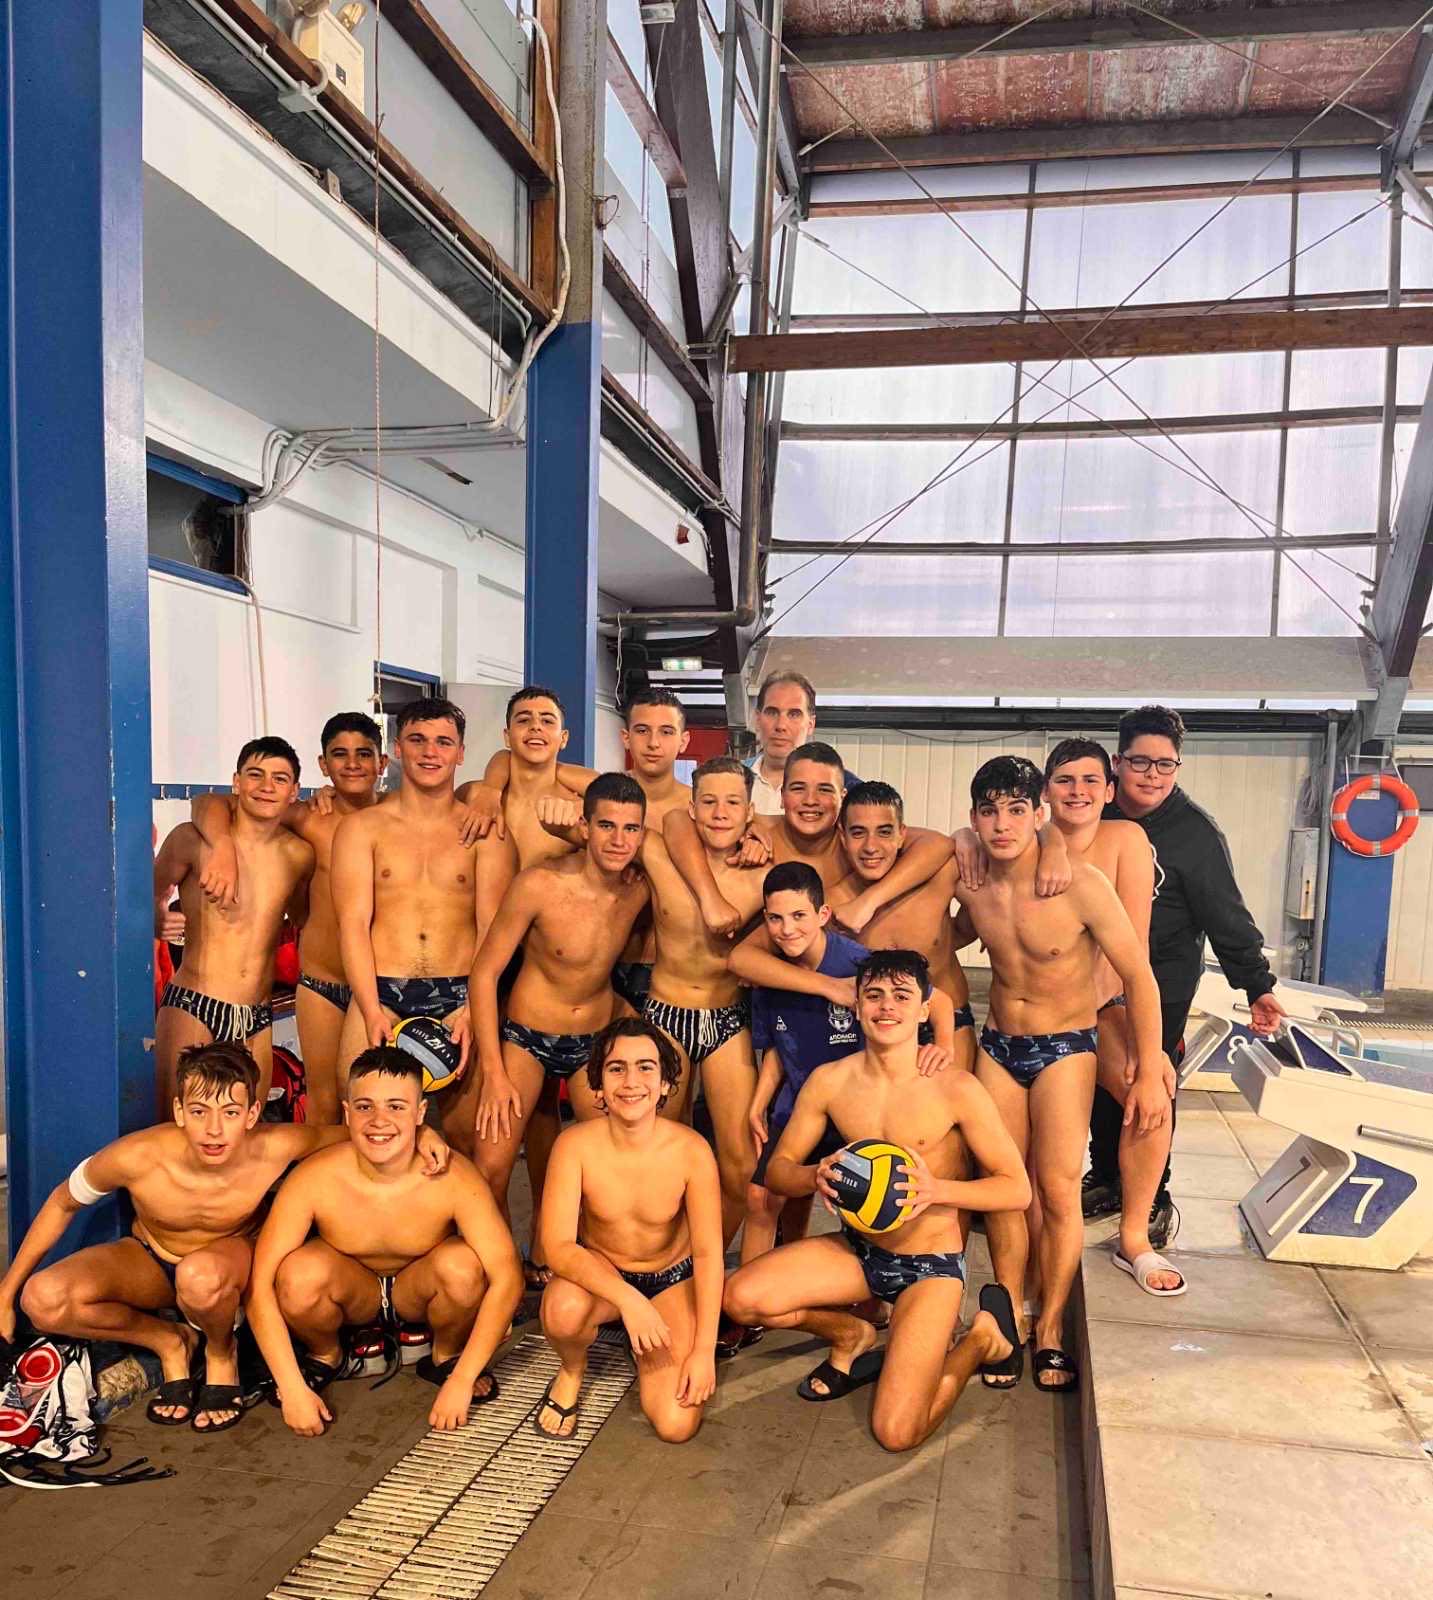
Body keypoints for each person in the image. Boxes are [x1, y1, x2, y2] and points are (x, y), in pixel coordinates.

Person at [0, 1042, 449, 1434]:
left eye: (230, 1113)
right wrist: (6, 1294)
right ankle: (169, 1341)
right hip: (152, 1258)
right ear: (179, 1111)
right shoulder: (137, 1155)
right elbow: (62, 1202)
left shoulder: (277, 1145)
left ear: (252, 1114)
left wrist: (423, 1130)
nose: (214, 1129)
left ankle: (221, 1353)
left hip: (228, 1265)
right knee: (43, 1300)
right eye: (199, 1112)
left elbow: (364, 1131)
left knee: (200, 1275)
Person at [722, 951, 1030, 1451]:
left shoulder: (955, 1088)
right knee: (740, 1298)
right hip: (860, 1252)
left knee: (897, 1431)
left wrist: (937, 1190)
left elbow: (1016, 1188)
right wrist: (813, 1176)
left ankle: (981, 1339)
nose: (887, 1007)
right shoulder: (831, 1081)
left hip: (929, 1266)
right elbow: (778, 1170)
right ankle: (851, 1334)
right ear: (858, 1006)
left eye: (901, 996)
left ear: (925, 1008)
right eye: (875, 995)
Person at [955, 757, 1169, 1393]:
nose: (1002, 825)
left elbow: (1139, 977)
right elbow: (934, 930)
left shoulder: (1081, 884)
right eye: (988, 813)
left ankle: (1050, 1326)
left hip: (1065, 1047)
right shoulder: (971, 881)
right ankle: (1011, 1315)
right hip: (998, 1044)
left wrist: (1149, 1070)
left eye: (1016, 810)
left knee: (1056, 1188)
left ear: (1038, 814)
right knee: (1006, 1188)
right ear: (974, 818)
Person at [246, 1046, 523, 1438]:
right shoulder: (313, 1178)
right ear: (347, 1113)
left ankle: (446, 1354)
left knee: (463, 1267)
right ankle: (327, 1354)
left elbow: (508, 1277)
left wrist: (463, 1379)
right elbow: (259, 1284)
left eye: (396, 1107)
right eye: (365, 1107)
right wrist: (290, 1385)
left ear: (420, 1114)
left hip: (419, 1289)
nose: (379, 1121)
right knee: (297, 1274)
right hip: (351, 1292)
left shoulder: (454, 1177)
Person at [1083, 706, 1287, 1228]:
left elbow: (1226, 914)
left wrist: (1257, 984)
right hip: (1097, 981)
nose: (1152, 775)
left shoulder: (1195, 833)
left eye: (1165, 765)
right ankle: (1107, 1176)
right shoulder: (1093, 811)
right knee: (1100, 1084)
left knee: (1150, 1081)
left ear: (1177, 766)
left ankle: (1154, 1195)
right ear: (1117, 762)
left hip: (1161, 982)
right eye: (1140, 762)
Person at [732, 862, 960, 1267]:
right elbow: (779, 1047)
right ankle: (756, 1290)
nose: (787, 929)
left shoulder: (858, 964)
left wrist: (943, 1045)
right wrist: (759, 1102)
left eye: (799, 916)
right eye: (776, 919)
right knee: (763, 1195)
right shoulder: (769, 974)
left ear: (822, 915)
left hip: (855, 1104)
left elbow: (937, 1000)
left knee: (861, 1200)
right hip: (799, 1103)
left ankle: (869, 1279)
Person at [331, 698, 516, 1154]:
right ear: (397, 749)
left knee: (470, 1142)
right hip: (381, 992)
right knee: (361, 1134)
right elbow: (353, 925)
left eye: (443, 742)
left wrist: (472, 1009)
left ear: (461, 753)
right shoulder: (362, 829)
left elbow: (492, 929)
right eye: (417, 740)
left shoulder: (486, 833)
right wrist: (371, 1009)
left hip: (461, 995)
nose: (430, 752)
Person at [467, 773, 651, 1232]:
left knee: (607, 1172)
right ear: (583, 827)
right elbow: (485, 974)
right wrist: (493, 1073)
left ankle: (566, 1259)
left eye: (631, 828)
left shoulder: (639, 888)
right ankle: (502, 1265)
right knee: (490, 1168)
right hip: (526, 1038)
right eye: (606, 825)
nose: (619, 840)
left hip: (594, 1039)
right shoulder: (539, 884)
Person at [190, 712, 388, 1125]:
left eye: (364, 753)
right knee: (323, 1099)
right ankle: (320, 1169)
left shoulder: (398, 817)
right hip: (322, 982)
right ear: (323, 764)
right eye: (340, 754)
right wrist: (222, 844)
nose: (352, 763)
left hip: (382, 984)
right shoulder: (306, 817)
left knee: (374, 1099)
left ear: (382, 762)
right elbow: (209, 803)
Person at [535, 1018, 722, 1442]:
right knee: (563, 1311)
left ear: (665, 1084)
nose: (631, 1082)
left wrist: (703, 1351)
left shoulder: (691, 1150)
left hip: (671, 1282)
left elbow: (709, 1254)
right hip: (605, 1276)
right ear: (598, 1086)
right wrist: (628, 1300)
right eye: (616, 1068)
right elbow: (558, 1246)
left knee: (676, 1425)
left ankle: (648, 1343)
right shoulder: (574, 1146)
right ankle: (572, 1369)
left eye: (645, 1068)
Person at [1043, 739, 1181, 1293]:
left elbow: (1133, 952)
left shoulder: (1126, 839)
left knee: (1153, 1093)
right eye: (1064, 780)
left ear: (1108, 790)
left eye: (1089, 781)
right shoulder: (1025, 838)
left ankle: (1135, 1237)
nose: (1077, 791)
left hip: (1102, 1006)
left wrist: (1147, 1052)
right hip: (1036, 1019)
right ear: (1046, 791)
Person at [637, 757, 767, 1241]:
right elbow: (600, 826)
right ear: (692, 808)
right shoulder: (659, 853)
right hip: (664, 1013)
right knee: (655, 1148)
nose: (720, 812)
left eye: (732, 802)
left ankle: (703, 1254)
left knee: (741, 1162)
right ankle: (659, 1253)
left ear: (750, 812)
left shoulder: (765, 874)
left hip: (726, 1019)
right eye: (708, 801)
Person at [153, 737, 314, 1110]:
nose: (266, 786)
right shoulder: (191, 840)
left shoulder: (298, 855)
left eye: (279, 779)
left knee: (247, 1124)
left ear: (293, 792)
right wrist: (157, 919)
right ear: (236, 782)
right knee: (176, 1122)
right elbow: (146, 895)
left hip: (256, 1015)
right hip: (194, 1002)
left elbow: (303, 918)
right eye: (255, 775)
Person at [665, 741, 953, 939]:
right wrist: (710, 899)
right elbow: (677, 820)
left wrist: (868, 901)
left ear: (842, 797)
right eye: (798, 788)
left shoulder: (857, 839)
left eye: (824, 790)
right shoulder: (758, 827)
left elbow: (938, 844)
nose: (811, 801)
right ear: (782, 795)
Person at [745, 671, 859, 817]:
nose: (781, 725)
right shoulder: (729, 780)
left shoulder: (849, 788)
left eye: (794, 714)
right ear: (757, 719)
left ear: (811, 724)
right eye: (772, 712)